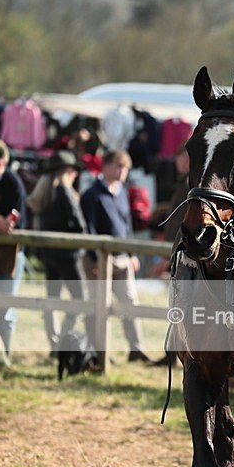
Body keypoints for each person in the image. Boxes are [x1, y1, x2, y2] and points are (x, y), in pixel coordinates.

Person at [80, 149, 152, 363]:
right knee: (99, 305)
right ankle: (100, 351)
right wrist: (94, 258)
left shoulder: (122, 192)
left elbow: (126, 225)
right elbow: (89, 229)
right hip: (100, 258)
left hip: (122, 257)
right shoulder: (92, 195)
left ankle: (136, 349)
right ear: (106, 166)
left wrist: (131, 253)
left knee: (130, 303)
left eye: (126, 168)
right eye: (119, 166)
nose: (123, 172)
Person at [27, 150, 90, 355]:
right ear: (65, 172)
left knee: (52, 300)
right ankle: (62, 342)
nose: (75, 174)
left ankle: (53, 341)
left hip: (49, 254)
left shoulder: (44, 194)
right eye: (73, 170)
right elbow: (80, 226)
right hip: (69, 256)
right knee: (81, 300)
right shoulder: (64, 192)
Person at [0, 139, 27, 359]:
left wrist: (4, 223)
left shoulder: (12, 183)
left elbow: (13, 223)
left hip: (10, 254)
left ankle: (4, 357)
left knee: (6, 308)